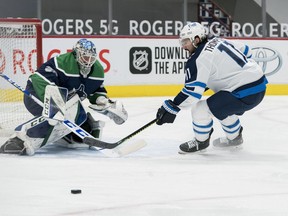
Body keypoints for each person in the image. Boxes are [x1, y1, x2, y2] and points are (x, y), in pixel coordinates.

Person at [0, 38, 128, 155]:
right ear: (76, 54)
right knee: (63, 113)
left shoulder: (97, 69)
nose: (88, 61)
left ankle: (68, 136)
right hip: (36, 95)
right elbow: (38, 78)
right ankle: (19, 139)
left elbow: (96, 89)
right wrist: (54, 101)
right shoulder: (62, 62)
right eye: (85, 57)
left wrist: (103, 101)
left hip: (66, 103)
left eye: (91, 58)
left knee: (80, 118)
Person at [156, 22, 267, 153]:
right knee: (220, 106)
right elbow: (246, 50)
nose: (183, 46)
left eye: (186, 41)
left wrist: (172, 107)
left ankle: (201, 142)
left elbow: (192, 94)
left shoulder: (199, 58)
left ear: (196, 39)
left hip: (244, 92)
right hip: (258, 85)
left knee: (200, 108)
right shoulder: (218, 41)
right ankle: (234, 138)